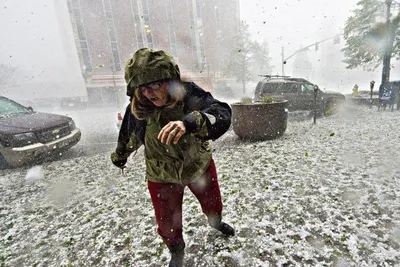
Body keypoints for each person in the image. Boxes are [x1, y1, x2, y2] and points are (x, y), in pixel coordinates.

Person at [110, 48, 234, 267]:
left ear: (169, 80)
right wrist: (120, 155)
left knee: (212, 202)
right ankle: (176, 250)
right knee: (167, 222)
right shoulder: (138, 108)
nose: (148, 93)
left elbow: (221, 113)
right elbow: (128, 135)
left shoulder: (189, 94)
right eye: (143, 87)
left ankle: (216, 222)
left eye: (155, 84)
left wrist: (190, 122)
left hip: (198, 166)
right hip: (161, 174)